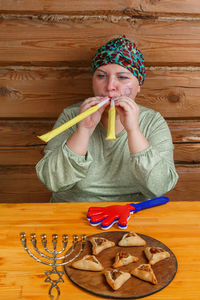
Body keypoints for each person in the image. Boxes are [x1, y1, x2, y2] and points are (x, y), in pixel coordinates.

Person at [36, 35, 178, 203]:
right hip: (73, 211)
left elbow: (161, 186)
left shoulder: (152, 121)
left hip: (134, 213)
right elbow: (52, 181)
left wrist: (133, 131)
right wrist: (84, 130)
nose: (110, 86)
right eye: (101, 76)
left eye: (123, 77)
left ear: (138, 85)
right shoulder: (72, 115)